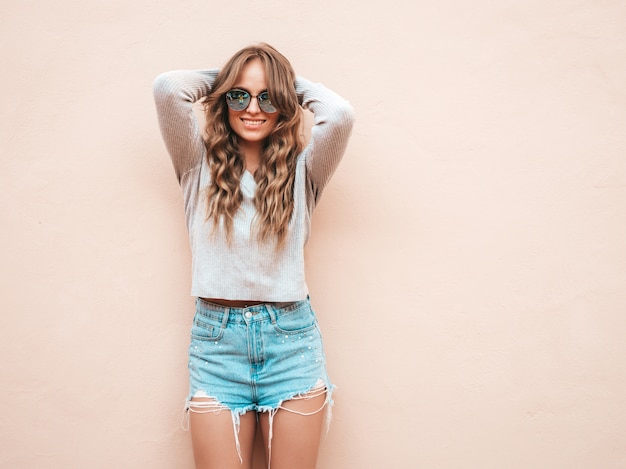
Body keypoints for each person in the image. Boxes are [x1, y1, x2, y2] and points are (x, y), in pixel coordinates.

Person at [153, 43, 354, 469]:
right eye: (239, 96)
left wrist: (283, 83)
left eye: (268, 98)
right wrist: (230, 78)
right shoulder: (196, 164)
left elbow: (341, 115)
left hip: (291, 342)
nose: (252, 109)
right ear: (225, 100)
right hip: (216, 348)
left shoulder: (304, 170)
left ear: (283, 104)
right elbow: (168, 89)